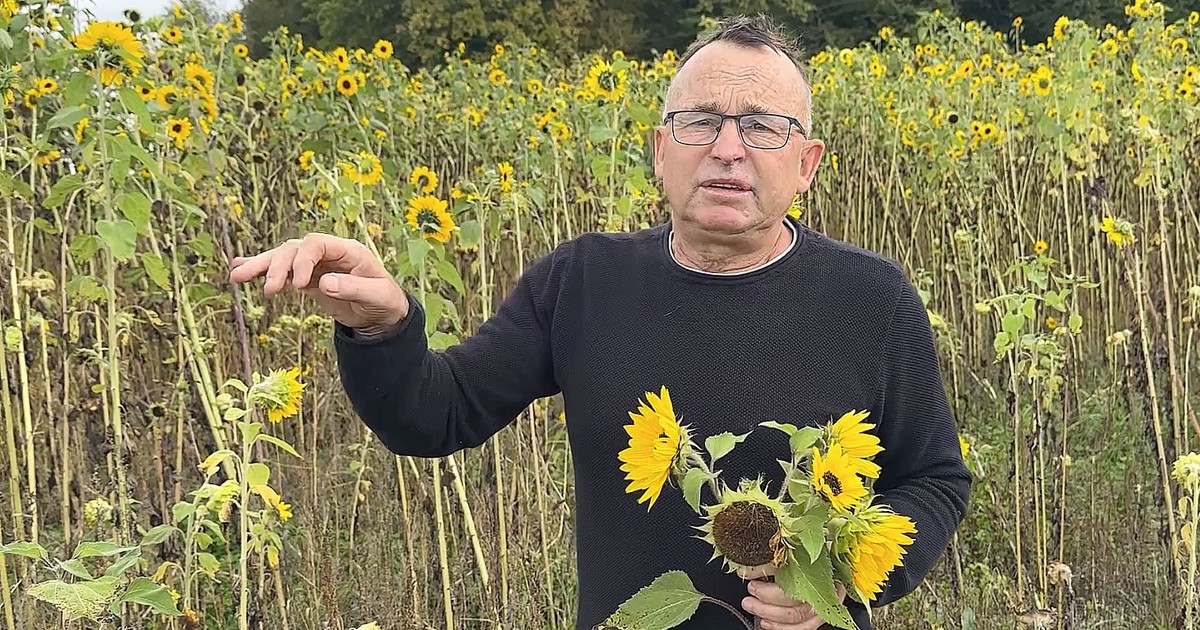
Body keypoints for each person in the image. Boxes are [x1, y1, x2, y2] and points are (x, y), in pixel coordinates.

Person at [230, 14, 971, 630]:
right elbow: (435, 414)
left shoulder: (872, 301)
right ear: (661, 151)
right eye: (701, 122)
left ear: (806, 164)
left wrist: (839, 581)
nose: (728, 148)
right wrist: (383, 329)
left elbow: (934, 478)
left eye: (762, 128)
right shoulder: (582, 282)